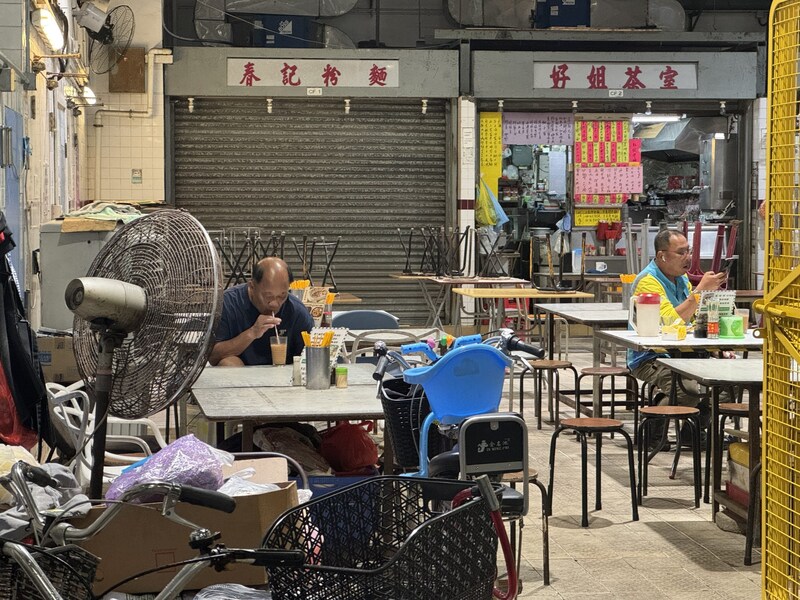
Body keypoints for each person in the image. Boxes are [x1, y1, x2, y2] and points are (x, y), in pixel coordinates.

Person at [627, 229, 726, 440]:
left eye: (688, 251)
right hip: (651, 356)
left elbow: (692, 320)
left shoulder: (681, 279)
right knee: (686, 390)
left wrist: (714, 344)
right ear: (662, 255)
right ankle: (651, 429)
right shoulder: (648, 281)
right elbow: (669, 323)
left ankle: (692, 432)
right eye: (681, 252)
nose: (688, 257)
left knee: (725, 384)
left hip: (685, 352)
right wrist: (699, 292)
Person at [210, 257, 313, 366]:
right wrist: (252, 333)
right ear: (252, 286)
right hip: (241, 370)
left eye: (282, 296)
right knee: (228, 363)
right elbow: (212, 356)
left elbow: (310, 357)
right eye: (268, 296)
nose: (275, 304)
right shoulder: (228, 304)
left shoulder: (297, 311)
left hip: (284, 371)